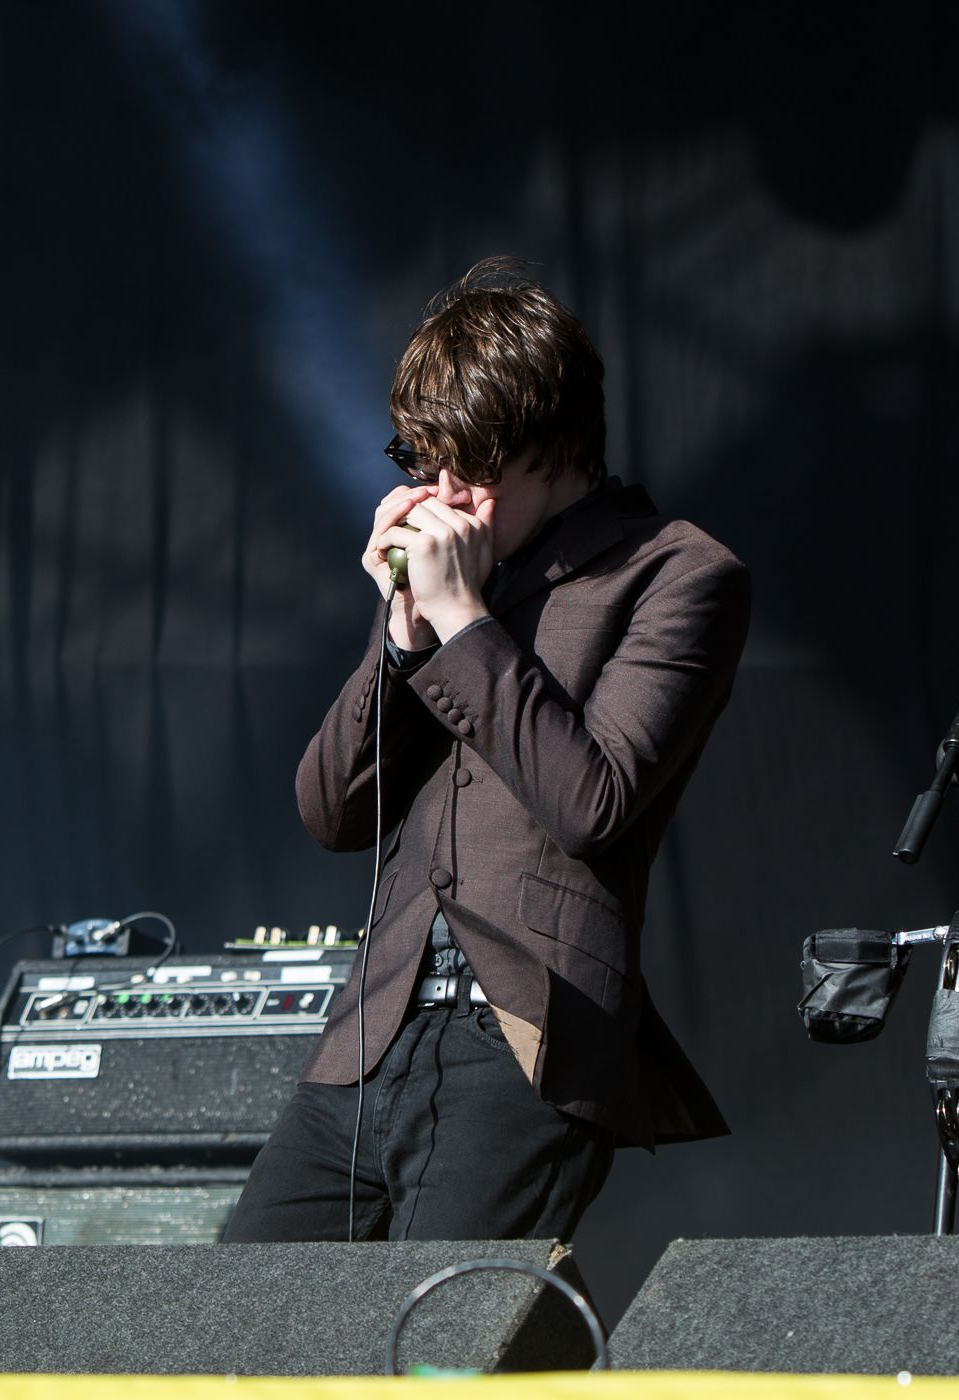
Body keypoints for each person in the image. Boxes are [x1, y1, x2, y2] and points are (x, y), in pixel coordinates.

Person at [223, 257, 750, 1243]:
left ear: (556, 446)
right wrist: (401, 633)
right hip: (368, 1036)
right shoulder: (451, 585)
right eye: (429, 465)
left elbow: (592, 800)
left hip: (522, 1038)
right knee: (235, 1331)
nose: (447, 498)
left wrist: (464, 619)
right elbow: (329, 809)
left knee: (443, 1354)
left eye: (474, 469)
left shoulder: (675, 573)